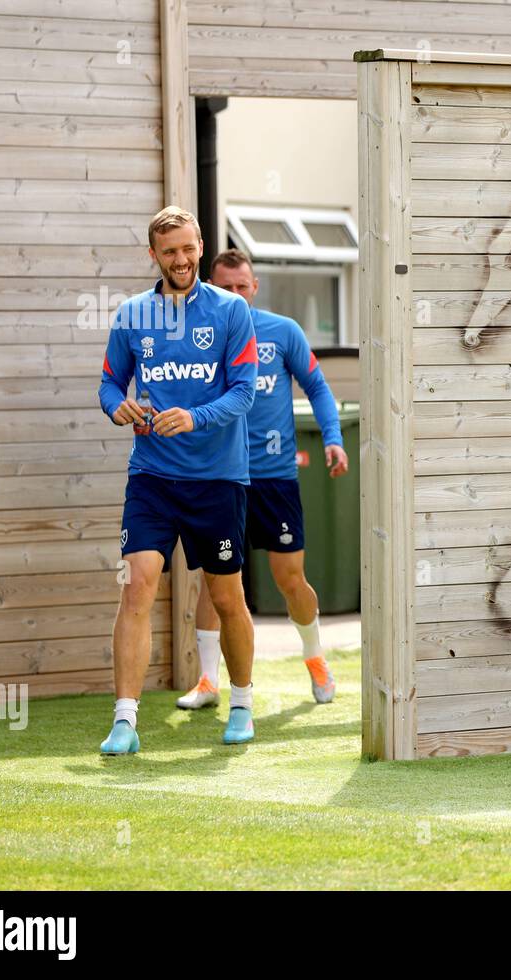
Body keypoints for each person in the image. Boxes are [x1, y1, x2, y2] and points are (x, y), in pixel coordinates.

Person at [98, 208, 259, 755]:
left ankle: (240, 703)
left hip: (217, 479)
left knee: (225, 594)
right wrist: (117, 407)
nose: (182, 260)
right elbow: (107, 384)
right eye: (170, 252)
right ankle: (125, 720)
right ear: (154, 255)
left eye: (189, 249)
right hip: (152, 476)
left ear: (200, 246)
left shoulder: (232, 311)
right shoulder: (131, 315)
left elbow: (244, 391)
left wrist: (195, 417)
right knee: (138, 583)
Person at [176, 249, 349, 711]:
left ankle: (315, 661)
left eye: (242, 286)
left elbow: (317, 387)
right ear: (210, 289)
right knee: (214, 582)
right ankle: (209, 682)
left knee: (290, 578)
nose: (235, 294)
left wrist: (332, 437)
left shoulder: (282, 332)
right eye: (225, 287)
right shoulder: (196, 335)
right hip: (218, 476)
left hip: (274, 479)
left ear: (254, 288)